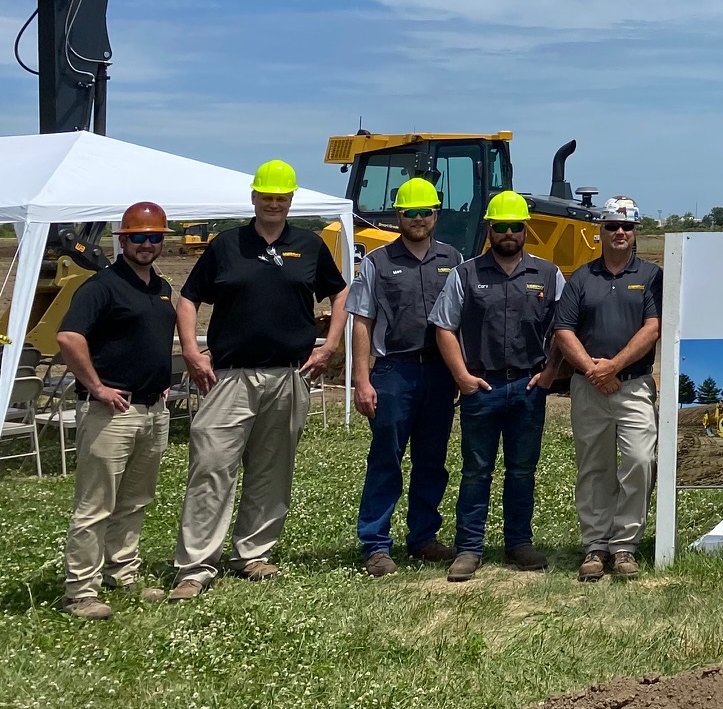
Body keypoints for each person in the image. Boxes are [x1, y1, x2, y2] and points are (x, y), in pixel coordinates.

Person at [170, 160, 348, 601]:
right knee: (212, 467)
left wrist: (329, 345)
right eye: (267, 196)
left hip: (289, 375)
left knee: (272, 470)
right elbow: (189, 297)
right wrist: (191, 350)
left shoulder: (308, 245)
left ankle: (253, 553)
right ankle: (195, 567)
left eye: (281, 197)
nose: (274, 203)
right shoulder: (226, 245)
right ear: (253, 198)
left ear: (290, 201)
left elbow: (341, 291)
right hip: (229, 376)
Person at [430, 191, 562, 580]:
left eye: (515, 227)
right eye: (500, 226)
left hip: (527, 388)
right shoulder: (466, 273)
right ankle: (469, 548)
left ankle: (519, 543)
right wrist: (461, 378)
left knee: (522, 470)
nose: (507, 233)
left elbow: (563, 329)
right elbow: (444, 327)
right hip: (482, 388)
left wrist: (551, 372)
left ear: (526, 230)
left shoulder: (548, 274)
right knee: (476, 471)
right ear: (489, 228)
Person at [54, 202, 178, 619]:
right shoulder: (101, 286)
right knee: (96, 504)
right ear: (122, 240)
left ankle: (121, 573)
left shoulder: (161, 289)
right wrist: (98, 386)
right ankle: (80, 592)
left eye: (155, 237)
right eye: (138, 237)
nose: (147, 244)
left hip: (153, 409)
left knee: (136, 499)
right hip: (113, 412)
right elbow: (69, 338)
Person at [349, 176, 462, 576]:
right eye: (409, 212)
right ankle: (376, 544)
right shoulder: (378, 263)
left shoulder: (453, 259)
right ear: (398, 215)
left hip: (439, 374)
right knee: (386, 459)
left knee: (432, 461)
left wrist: (461, 373)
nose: (417, 219)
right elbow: (361, 322)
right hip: (394, 373)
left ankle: (424, 538)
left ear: (436, 214)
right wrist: (362, 380)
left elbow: (461, 322)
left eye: (425, 212)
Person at [552, 196, 662, 581]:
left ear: (635, 233)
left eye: (627, 227)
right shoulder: (581, 278)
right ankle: (596, 547)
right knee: (594, 468)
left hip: (633, 386)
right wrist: (593, 370)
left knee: (639, 462)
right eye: (612, 226)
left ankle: (625, 546)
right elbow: (563, 330)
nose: (620, 233)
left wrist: (614, 366)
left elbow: (653, 327)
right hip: (588, 388)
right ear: (600, 230)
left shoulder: (651, 276)